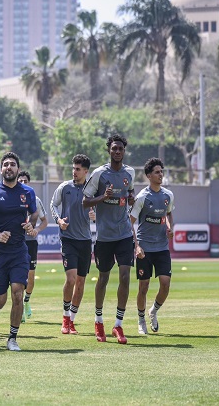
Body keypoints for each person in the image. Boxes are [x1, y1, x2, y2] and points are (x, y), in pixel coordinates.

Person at [0, 152, 38, 351]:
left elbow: (34, 213)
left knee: (18, 293)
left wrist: (31, 225)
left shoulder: (28, 192)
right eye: (6, 164)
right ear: (2, 169)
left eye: (12, 164)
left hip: (19, 251)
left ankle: (12, 338)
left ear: (18, 169)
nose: (9, 167)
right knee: (0, 300)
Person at [83, 134, 135, 344]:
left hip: (124, 234)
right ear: (109, 150)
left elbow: (130, 192)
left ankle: (118, 325)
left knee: (125, 277)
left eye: (120, 149)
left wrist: (131, 198)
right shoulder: (99, 174)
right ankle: (98, 321)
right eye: (114, 148)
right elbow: (85, 201)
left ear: (124, 151)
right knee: (103, 278)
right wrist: (103, 197)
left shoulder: (130, 173)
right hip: (104, 236)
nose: (117, 151)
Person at [129, 158, 175, 335]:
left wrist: (170, 227)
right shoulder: (142, 197)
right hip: (145, 248)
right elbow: (130, 222)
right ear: (149, 176)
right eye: (157, 172)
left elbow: (168, 214)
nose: (160, 174)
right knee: (144, 286)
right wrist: (136, 246)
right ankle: (141, 320)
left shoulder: (168, 195)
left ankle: (153, 311)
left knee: (165, 284)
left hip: (162, 247)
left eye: (161, 171)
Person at [50, 154, 93, 335]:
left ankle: (72, 321)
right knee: (71, 279)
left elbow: (99, 209)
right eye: (73, 168)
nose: (74, 172)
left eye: (78, 169)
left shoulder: (92, 190)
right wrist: (59, 220)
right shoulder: (64, 187)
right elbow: (53, 205)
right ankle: (65, 317)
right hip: (68, 239)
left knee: (81, 282)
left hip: (85, 241)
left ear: (86, 171)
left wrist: (95, 215)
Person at [17, 170, 48, 322]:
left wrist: (37, 230)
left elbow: (45, 221)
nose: (23, 183)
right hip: (17, 242)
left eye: (25, 181)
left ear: (29, 183)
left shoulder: (35, 199)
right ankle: (19, 308)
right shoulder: (12, 198)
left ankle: (26, 301)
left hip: (30, 243)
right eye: (20, 181)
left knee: (30, 277)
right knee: (18, 276)